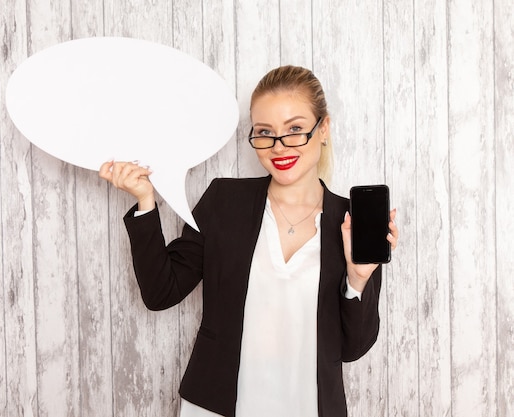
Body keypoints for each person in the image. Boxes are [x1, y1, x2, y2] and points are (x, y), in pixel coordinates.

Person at [99, 65, 399, 417]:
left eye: (296, 129)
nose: (279, 146)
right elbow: (161, 292)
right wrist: (145, 201)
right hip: (215, 407)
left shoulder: (352, 222)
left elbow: (354, 348)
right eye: (264, 132)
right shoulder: (224, 201)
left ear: (324, 129)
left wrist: (358, 279)